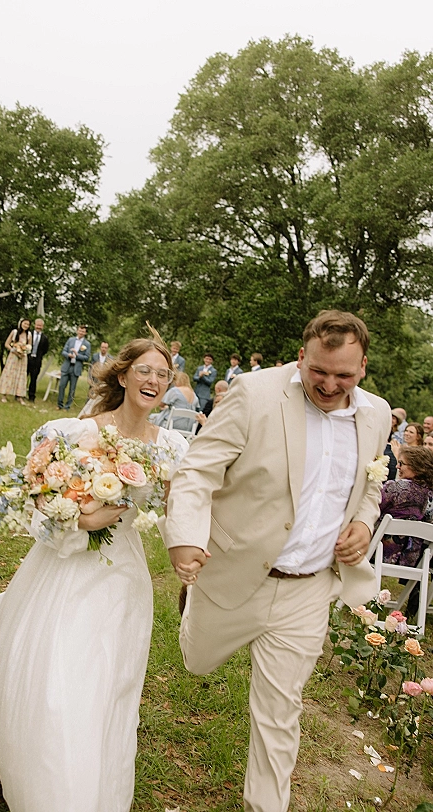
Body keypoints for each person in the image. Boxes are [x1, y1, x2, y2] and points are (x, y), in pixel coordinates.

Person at [0, 333, 188, 812]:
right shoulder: (77, 432)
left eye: (163, 374)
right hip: (67, 560)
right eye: (145, 370)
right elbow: (41, 495)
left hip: (122, 570)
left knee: (105, 677)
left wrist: (189, 554)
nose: (154, 380)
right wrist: (81, 519)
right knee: (59, 666)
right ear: (123, 375)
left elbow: (182, 510)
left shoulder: (171, 448)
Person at [162, 310, 391, 812]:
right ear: (301, 355)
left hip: (308, 587)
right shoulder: (254, 393)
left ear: (364, 368)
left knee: (280, 711)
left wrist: (362, 525)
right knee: (196, 662)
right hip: (235, 566)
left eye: (344, 375)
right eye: (319, 371)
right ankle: (196, 603)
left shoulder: (377, 414)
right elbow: (198, 470)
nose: (330, 384)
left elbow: (371, 487)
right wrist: (184, 536)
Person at [378, 446, 433, 568]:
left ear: (417, 468)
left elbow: (373, 508)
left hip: (379, 552)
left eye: (401, 463)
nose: (397, 467)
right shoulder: (431, 496)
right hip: (412, 560)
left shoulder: (395, 488)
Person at [0, 318, 31, 404]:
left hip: (23, 357)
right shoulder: (15, 332)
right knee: (9, 374)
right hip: (13, 356)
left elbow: (30, 345)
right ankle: (4, 395)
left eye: (27, 324)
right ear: (21, 323)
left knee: (21, 376)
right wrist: (14, 350)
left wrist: (25, 351)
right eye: (24, 323)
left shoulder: (29, 334)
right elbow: (7, 344)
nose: (25, 326)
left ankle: (20, 396)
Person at [57, 325, 91, 410]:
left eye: (83, 331)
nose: (81, 332)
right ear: (77, 331)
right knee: (61, 386)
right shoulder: (70, 340)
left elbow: (86, 357)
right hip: (67, 366)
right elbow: (63, 351)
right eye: (80, 330)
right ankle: (59, 405)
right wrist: (68, 355)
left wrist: (77, 355)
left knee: (72, 389)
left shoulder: (87, 344)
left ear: (85, 333)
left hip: (76, 368)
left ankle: (67, 406)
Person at [26, 318, 49, 403]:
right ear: (34, 325)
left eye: (40, 325)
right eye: (37, 325)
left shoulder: (44, 337)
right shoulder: (29, 334)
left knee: (33, 379)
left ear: (43, 327)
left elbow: (45, 350)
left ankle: (31, 397)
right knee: (24, 377)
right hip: (27, 358)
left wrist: (38, 356)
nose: (38, 327)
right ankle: (19, 394)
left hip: (37, 361)